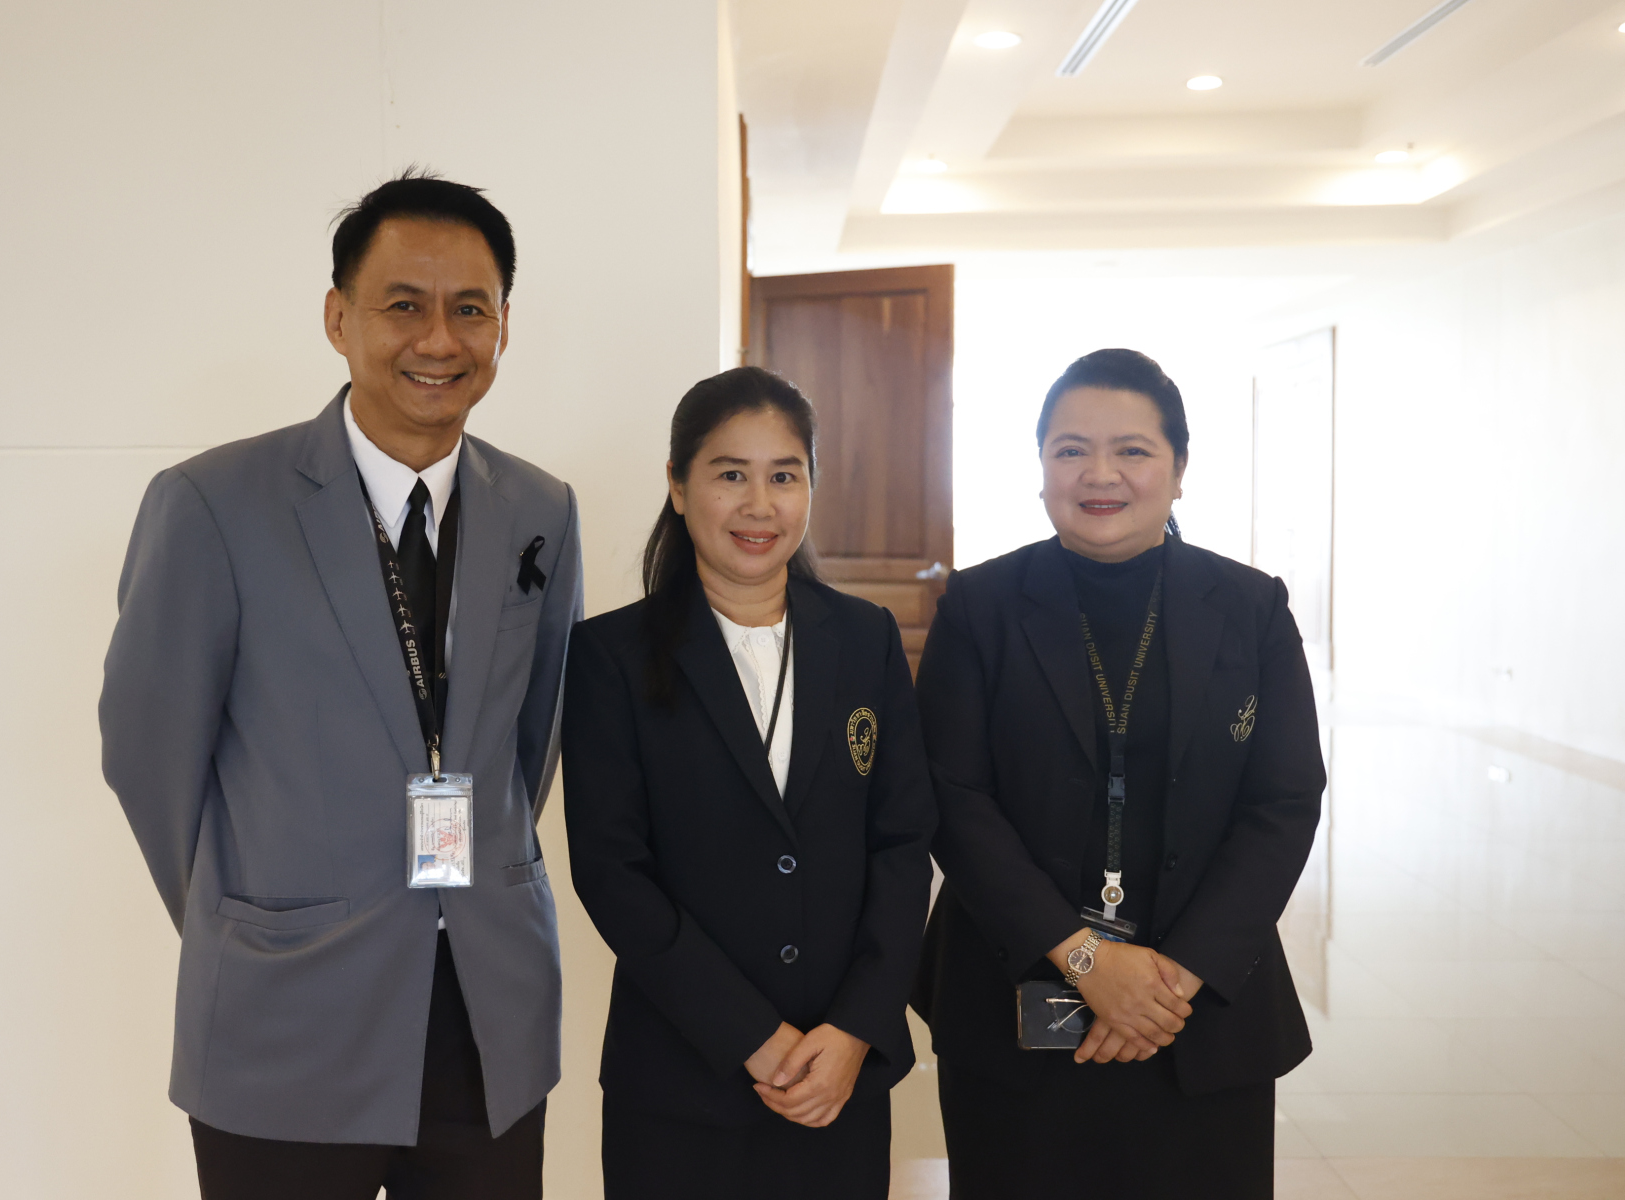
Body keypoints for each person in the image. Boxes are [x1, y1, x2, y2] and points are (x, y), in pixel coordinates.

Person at [99, 170, 581, 1199]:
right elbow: (149, 754)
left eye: (471, 309)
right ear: (338, 317)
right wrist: (247, 920)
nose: (439, 339)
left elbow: (531, 742)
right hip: (287, 1013)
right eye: (404, 305)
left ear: (504, 326)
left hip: (487, 1016)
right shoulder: (213, 504)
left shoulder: (542, 508)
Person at [911, 349, 1324, 1199]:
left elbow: (1283, 801)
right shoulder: (981, 607)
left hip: (1197, 1012)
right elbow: (953, 796)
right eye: (1071, 450)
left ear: (1180, 468)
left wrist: (1171, 982)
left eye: (1132, 450)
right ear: (1040, 467)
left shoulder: (1250, 608)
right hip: (1019, 1001)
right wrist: (1088, 963)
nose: (1099, 474)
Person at [561, 367, 936, 1200]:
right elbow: (613, 873)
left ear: (811, 486)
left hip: (839, 1078)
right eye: (730, 474)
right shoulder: (611, 657)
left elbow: (904, 844)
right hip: (680, 1084)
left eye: (784, 476)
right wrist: (755, 1040)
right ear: (678, 485)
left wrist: (853, 1030)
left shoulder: (866, 639)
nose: (759, 505)